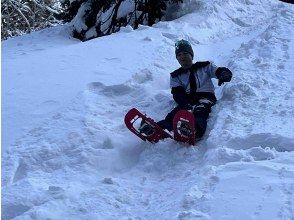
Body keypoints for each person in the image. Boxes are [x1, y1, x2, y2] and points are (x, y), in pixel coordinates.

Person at [140, 39, 232, 140]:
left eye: (185, 53)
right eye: (179, 55)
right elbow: (177, 92)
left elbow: (218, 71)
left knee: (200, 111)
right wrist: (184, 103)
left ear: (191, 55)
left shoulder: (205, 66)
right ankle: (156, 129)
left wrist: (224, 74)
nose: (182, 56)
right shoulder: (176, 75)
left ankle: (194, 130)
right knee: (175, 114)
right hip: (188, 99)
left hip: (206, 97)